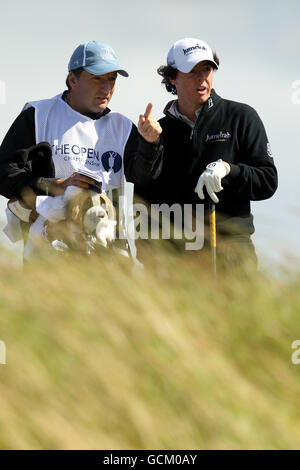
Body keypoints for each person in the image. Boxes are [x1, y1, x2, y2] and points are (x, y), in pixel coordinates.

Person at [0, 40, 162, 259]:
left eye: (112, 79)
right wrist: (56, 186)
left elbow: (145, 177)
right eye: (97, 78)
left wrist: (150, 143)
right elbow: (4, 173)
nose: (107, 88)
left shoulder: (123, 127)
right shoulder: (38, 114)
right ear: (72, 79)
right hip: (47, 255)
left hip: (108, 255)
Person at [134, 37, 278, 268]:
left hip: (232, 253)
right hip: (175, 256)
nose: (202, 79)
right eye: (192, 72)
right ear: (172, 77)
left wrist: (229, 171)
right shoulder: (157, 131)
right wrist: (149, 144)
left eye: (207, 69)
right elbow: (142, 188)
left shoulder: (241, 117)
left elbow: (267, 182)